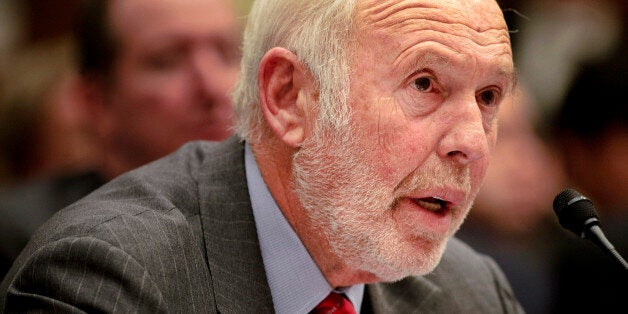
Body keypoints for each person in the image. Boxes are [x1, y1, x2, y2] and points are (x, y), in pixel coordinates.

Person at [0, 0, 524, 312]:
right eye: (425, 84)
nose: (473, 143)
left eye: (488, 97)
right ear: (289, 97)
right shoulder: (106, 281)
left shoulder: (472, 293)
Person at [0, 0, 242, 278]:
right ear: (96, 102)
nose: (214, 87)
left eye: (228, 53)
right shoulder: (29, 240)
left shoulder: (277, 216)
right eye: (166, 60)